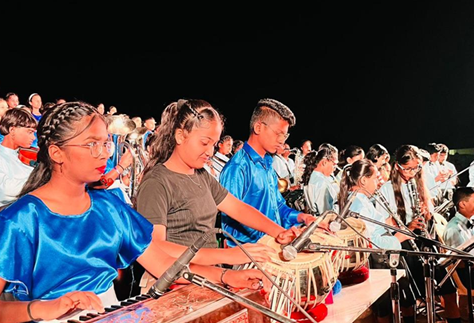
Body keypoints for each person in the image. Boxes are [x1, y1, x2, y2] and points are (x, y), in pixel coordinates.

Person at [0, 101, 267, 323]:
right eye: (91, 144)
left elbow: (165, 266)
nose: (104, 154)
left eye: (106, 143)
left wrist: (224, 277)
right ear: (57, 153)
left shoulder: (109, 208)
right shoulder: (20, 219)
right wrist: (44, 308)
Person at [136, 98, 297, 253]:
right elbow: (156, 250)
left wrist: (279, 232)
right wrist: (229, 256)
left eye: (213, 144)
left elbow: (238, 209)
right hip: (185, 272)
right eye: (204, 143)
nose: (210, 152)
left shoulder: (202, 176)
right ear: (180, 136)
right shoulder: (156, 182)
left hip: (209, 268)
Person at [378, 144, 463, 323]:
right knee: (408, 297)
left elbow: (429, 212)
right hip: (403, 244)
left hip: (424, 241)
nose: (412, 173)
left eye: (416, 168)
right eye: (407, 169)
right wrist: (407, 226)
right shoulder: (387, 189)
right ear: (396, 166)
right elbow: (385, 225)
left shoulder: (419, 183)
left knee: (449, 289)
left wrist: (426, 213)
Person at [338, 159, 415, 323]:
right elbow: (371, 243)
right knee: (383, 313)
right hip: (374, 264)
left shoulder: (362, 200)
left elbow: (375, 228)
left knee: (388, 310)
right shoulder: (358, 203)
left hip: (378, 261)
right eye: (375, 178)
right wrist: (399, 238)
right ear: (363, 180)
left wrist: (390, 223)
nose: (379, 183)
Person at [220, 98, 316, 246]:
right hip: (251, 253)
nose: (282, 141)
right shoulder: (237, 167)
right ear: (258, 127)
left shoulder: (268, 165)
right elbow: (230, 224)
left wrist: (303, 217)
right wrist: (276, 233)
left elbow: (278, 207)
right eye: (278, 133)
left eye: (285, 135)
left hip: (273, 245)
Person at [0, 108, 37, 210]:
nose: (33, 138)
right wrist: (40, 180)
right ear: (12, 130)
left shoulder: (33, 155)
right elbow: (5, 191)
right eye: (30, 132)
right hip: (12, 210)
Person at [302, 148, 339, 216]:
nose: (335, 168)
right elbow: (327, 213)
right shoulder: (321, 183)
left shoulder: (313, 176)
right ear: (324, 162)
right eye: (334, 164)